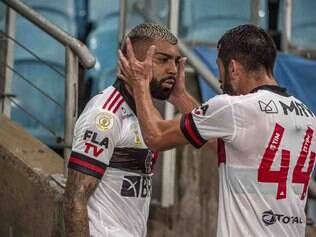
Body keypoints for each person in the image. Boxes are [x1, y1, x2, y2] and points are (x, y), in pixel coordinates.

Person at [118, 24, 316, 237]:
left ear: (232, 67)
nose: (220, 80)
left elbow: (156, 136)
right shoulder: (307, 116)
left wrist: (139, 84)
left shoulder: (234, 107)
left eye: (218, 68)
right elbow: (225, 145)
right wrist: (180, 97)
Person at [63, 22, 194, 237]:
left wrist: (180, 97)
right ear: (134, 61)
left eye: (177, 61)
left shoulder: (149, 116)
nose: (173, 69)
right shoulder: (105, 114)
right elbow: (75, 198)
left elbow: (207, 133)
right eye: (163, 60)